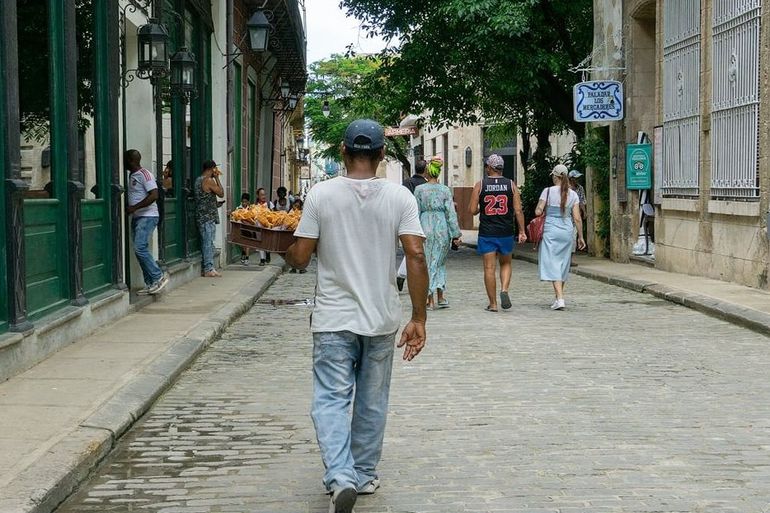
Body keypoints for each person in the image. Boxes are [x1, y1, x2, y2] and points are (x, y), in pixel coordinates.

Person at [285, 119, 428, 513]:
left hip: (333, 317)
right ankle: (362, 475)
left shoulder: (321, 195)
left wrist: (283, 245)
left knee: (330, 399)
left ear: (343, 152)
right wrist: (419, 318)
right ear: (382, 154)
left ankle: (341, 476)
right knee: (372, 400)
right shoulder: (400, 197)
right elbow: (415, 255)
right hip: (381, 318)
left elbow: (299, 258)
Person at [469, 154, 526, 312]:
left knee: (489, 268)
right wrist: (522, 231)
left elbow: (472, 210)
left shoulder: (480, 185)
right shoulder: (511, 184)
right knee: (506, 263)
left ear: (489, 167)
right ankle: (504, 290)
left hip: (487, 232)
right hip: (506, 231)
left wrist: (481, 208)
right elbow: (518, 210)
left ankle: (493, 304)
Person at [414, 156, 462, 309]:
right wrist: (456, 234)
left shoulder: (419, 190)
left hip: (425, 225)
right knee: (440, 262)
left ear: (427, 172)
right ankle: (440, 296)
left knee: (429, 261)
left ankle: (430, 299)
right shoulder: (445, 190)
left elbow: (415, 211)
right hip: (442, 227)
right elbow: (451, 213)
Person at [536, 164, 586, 310]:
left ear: (555, 176)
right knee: (563, 264)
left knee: (552, 264)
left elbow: (538, 211)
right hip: (566, 231)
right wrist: (580, 237)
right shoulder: (574, 194)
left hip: (551, 230)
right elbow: (577, 218)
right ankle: (558, 297)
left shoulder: (547, 191)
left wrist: (539, 209)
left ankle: (560, 298)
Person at [125, 149, 168, 295]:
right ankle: (150, 283)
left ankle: (158, 277)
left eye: (125, 159)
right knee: (140, 250)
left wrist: (134, 207)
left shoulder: (145, 174)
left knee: (140, 248)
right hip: (138, 217)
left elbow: (154, 195)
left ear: (131, 160)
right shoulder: (132, 175)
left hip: (148, 216)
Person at [396, 158, 428, 291]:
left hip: (408, 219)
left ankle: (402, 275)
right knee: (418, 252)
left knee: (412, 251)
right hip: (424, 220)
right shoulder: (427, 186)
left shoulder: (407, 182)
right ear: (426, 171)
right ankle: (404, 275)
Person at [195, 159, 225, 277]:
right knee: (208, 242)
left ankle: (209, 266)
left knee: (207, 241)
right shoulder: (209, 180)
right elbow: (221, 193)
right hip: (207, 217)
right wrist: (217, 178)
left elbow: (204, 197)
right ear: (212, 169)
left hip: (201, 214)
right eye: (215, 169)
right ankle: (208, 268)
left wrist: (215, 204)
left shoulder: (198, 180)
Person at [569, 170, 587, 266]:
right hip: (566, 217)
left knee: (573, 238)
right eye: (575, 178)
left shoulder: (580, 188)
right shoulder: (566, 188)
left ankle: (570, 259)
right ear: (571, 179)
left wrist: (584, 212)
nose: (577, 180)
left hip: (575, 217)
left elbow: (582, 201)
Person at [288, 198, 306, 274]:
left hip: (300, 233)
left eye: (298, 207)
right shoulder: (291, 212)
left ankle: (301, 268)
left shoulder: (302, 213)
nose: (296, 208)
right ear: (293, 205)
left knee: (301, 251)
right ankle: (293, 267)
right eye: (295, 206)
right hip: (292, 234)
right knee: (293, 251)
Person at [256, 187, 273, 266]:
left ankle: (268, 252)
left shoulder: (269, 204)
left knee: (267, 242)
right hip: (258, 227)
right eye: (261, 195)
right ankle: (262, 259)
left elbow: (274, 215)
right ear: (258, 196)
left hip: (267, 227)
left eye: (264, 194)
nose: (263, 196)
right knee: (260, 243)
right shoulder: (255, 205)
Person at [234, 192, 252, 266]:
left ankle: (247, 258)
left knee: (247, 243)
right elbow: (235, 217)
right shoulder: (238, 208)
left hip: (248, 228)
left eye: (245, 202)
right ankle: (243, 253)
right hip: (241, 228)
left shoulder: (250, 209)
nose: (244, 203)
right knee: (242, 244)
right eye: (243, 201)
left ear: (248, 202)